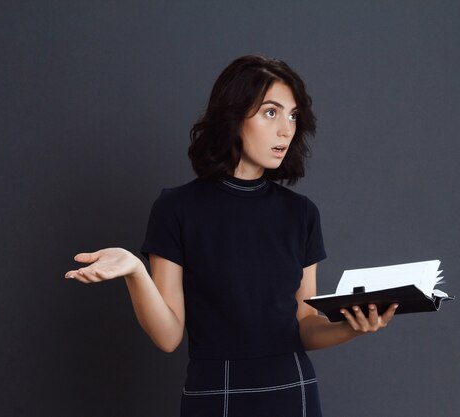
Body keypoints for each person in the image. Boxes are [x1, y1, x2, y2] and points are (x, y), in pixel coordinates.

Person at [65, 55, 398, 417]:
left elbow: (305, 326)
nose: (286, 129)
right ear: (234, 114)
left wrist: (354, 327)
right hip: (213, 391)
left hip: (292, 390)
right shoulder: (176, 208)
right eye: (271, 112)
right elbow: (168, 336)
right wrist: (135, 271)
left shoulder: (301, 213)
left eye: (293, 115)